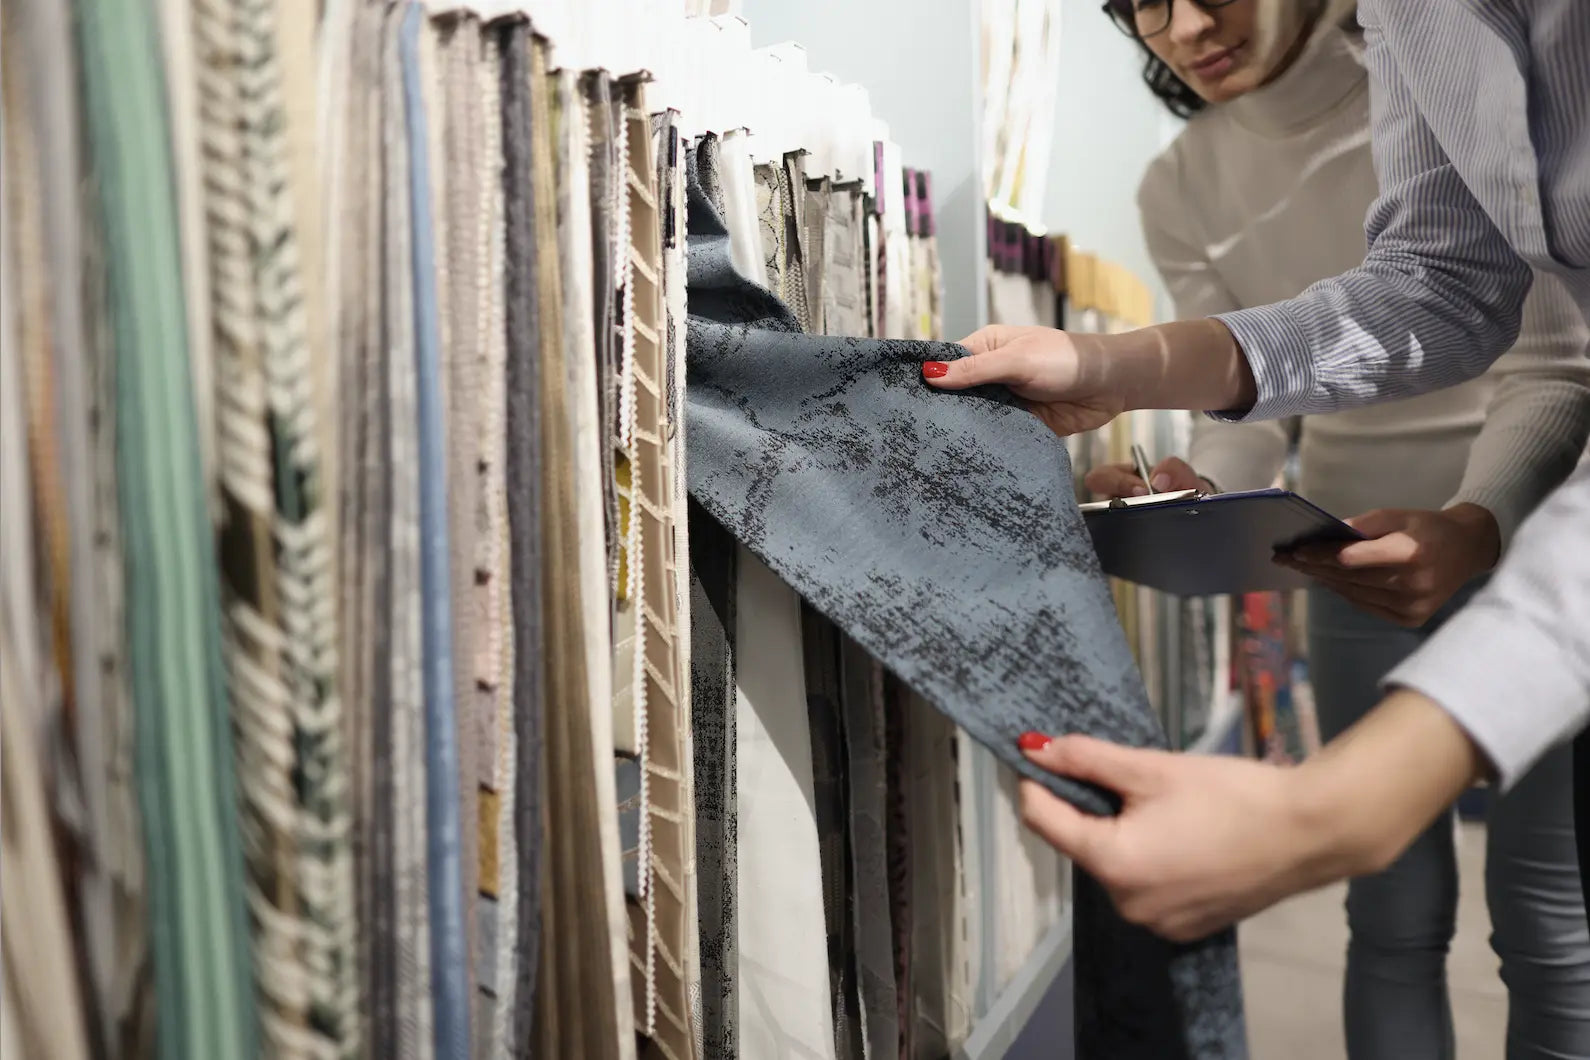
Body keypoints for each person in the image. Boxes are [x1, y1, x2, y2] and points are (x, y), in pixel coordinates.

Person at [916, 0, 1590, 998]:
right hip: (1351, 545)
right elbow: (1429, 293)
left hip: (1540, 525)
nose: (1186, 25)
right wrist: (1158, 429)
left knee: (1550, 930)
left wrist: (1480, 521)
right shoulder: (1197, 173)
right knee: (1394, 921)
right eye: (1145, 4)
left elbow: (1550, 358)